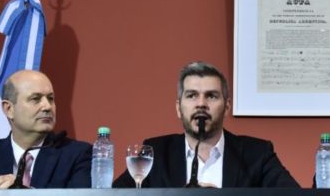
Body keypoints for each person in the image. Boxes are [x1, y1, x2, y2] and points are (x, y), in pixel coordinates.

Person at [113, 62, 299, 188]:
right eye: (192, 95)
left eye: (211, 96)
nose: (201, 103)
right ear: (179, 108)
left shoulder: (257, 154)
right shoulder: (156, 153)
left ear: (226, 107)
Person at [0, 70, 92, 189]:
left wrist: (22, 190)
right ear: (9, 109)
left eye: (50, 98)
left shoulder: (79, 155)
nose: (47, 106)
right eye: (35, 99)